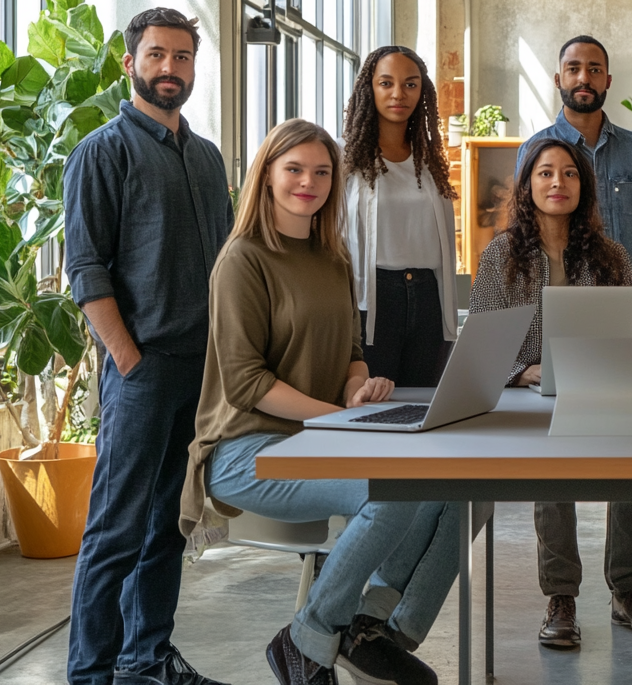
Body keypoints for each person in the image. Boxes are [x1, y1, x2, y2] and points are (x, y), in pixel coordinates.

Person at [180, 119, 460, 685]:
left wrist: (358, 387)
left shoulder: (334, 259)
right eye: (294, 169)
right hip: (245, 451)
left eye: (322, 172)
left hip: (318, 438)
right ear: (267, 175)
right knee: (392, 493)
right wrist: (342, 416)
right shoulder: (242, 260)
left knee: (457, 490)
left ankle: (373, 628)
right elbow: (246, 384)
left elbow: (352, 353)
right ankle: (307, 637)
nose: (308, 182)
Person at [64, 8, 234, 685]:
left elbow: (227, 263)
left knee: (169, 525)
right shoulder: (102, 152)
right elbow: (87, 270)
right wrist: (127, 361)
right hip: (142, 371)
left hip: (201, 373)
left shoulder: (206, 156)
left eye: (182, 56)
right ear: (130, 63)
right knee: (116, 529)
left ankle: (146, 659)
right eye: (157, 55)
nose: (170, 68)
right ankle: (91, 672)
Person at [470, 137, 632, 648]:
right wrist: (523, 371)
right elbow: (482, 343)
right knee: (552, 468)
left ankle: (628, 590)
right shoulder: (500, 254)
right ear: (527, 185)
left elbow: (627, 333)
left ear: (584, 186)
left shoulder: (612, 256)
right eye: (545, 173)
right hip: (531, 396)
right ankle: (561, 598)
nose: (557, 182)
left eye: (569, 173)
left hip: (599, 387)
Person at [342, 46, 459, 390]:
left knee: (423, 401)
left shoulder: (430, 160)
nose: (399, 94)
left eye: (410, 84)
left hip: (428, 297)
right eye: (386, 83)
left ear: (422, 91)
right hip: (374, 297)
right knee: (372, 401)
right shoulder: (346, 159)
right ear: (370, 88)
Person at [516, 35, 632, 286]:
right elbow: (523, 228)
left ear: (608, 80)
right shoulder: (533, 151)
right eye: (573, 69)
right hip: (561, 294)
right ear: (558, 79)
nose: (584, 78)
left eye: (594, 70)